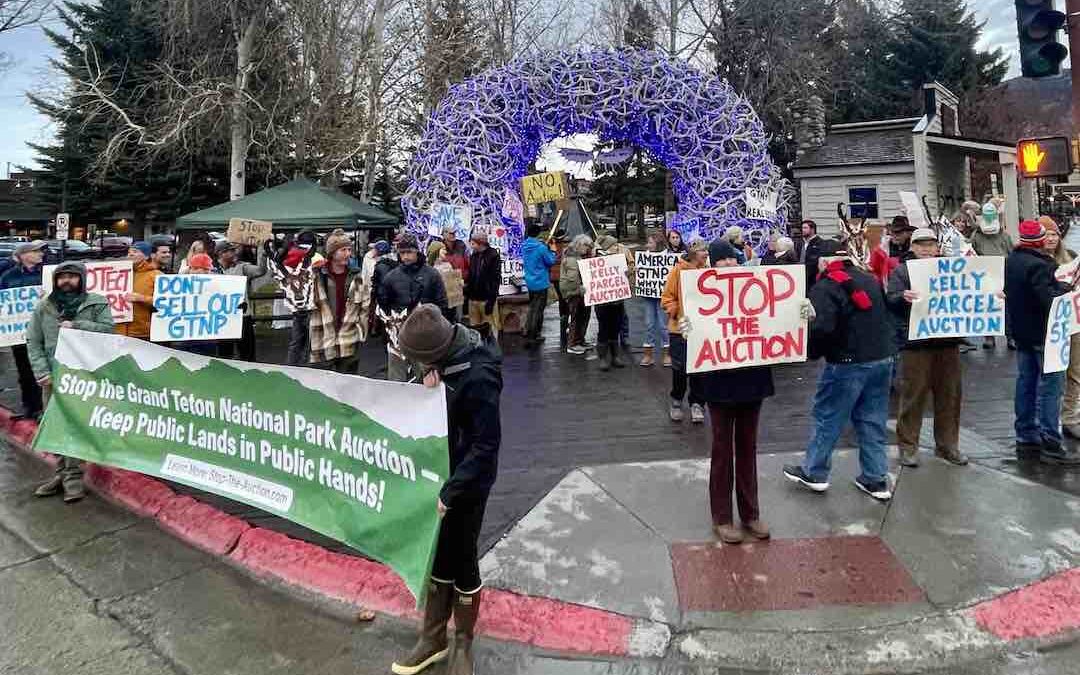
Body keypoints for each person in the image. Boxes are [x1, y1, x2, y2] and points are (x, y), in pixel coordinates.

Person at [392, 304, 502, 675]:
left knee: (463, 557)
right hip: (438, 471)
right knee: (438, 555)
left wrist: (451, 492)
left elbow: (485, 446)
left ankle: (463, 642)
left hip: (468, 481)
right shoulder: (442, 358)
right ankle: (433, 637)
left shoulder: (480, 375)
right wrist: (428, 378)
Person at [784, 240, 898, 502]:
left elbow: (822, 328)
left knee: (828, 416)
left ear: (824, 261)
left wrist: (810, 351)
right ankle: (876, 478)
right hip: (881, 358)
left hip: (847, 362)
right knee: (872, 420)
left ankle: (814, 472)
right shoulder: (868, 279)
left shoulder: (825, 287)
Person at [694, 239, 775, 543]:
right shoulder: (701, 293)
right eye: (721, 260)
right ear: (712, 264)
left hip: (752, 379)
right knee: (722, 450)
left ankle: (751, 513)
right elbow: (694, 335)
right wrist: (686, 325)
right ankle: (722, 517)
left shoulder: (756, 287)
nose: (728, 264)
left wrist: (798, 313)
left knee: (748, 448)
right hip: (719, 382)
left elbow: (774, 320)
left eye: (732, 259)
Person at [27, 261, 115, 502]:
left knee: (76, 426)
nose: (66, 281)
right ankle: (60, 474)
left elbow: (109, 331)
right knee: (54, 426)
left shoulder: (96, 302)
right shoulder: (44, 307)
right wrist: (41, 371)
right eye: (62, 277)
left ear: (82, 279)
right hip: (53, 377)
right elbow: (33, 341)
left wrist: (77, 325)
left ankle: (74, 478)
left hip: (83, 377)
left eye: (72, 276)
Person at [886, 228, 969, 468]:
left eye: (930, 244)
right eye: (921, 245)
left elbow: (970, 293)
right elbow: (889, 299)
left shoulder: (952, 269)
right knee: (913, 397)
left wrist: (992, 296)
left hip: (948, 342)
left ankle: (947, 446)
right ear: (912, 247)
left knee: (950, 397)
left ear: (937, 247)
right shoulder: (902, 271)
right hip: (915, 345)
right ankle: (908, 447)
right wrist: (902, 296)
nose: (925, 249)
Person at [1006, 220, 1080, 465]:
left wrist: (1056, 286)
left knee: (1026, 382)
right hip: (1044, 336)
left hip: (1023, 334)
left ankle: (1026, 434)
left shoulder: (1013, 260)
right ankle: (1051, 441)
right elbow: (1046, 300)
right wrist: (1065, 290)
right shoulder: (1040, 265)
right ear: (1038, 241)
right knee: (1051, 388)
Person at [378, 234, 449, 381]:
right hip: (399, 335)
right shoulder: (391, 277)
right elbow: (384, 305)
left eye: (409, 252)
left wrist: (439, 330)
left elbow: (442, 303)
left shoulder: (432, 274)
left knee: (426, 376)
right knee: (396, 379)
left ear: (417, 251)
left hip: (426, 334)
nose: (405, 256)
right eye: (402, 253)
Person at [662, 240, 709, 423]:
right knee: (680, 368)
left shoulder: (708, 271)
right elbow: (667, 297)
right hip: (679, 329)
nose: (706, 253)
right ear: (692, 253)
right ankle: (676, 401)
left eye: (706, 249)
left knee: (701, 368)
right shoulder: (678, 271)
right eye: (702, 250)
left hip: (703, 329)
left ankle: (697, 404)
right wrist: (675, 312)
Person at [0, 240, 47, 418]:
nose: (41, 254)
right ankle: (31, 407)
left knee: (44, 368)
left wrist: (48, 293)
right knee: (24, 371)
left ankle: (46, 407)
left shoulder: (47, 274)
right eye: (36, 251)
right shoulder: (8, 276)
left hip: (43, 329)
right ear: (24, 255)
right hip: (18, 333)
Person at [309, 232, 367, 373]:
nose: (348, 253)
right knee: (323, 389)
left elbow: (364, 307)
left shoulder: (357, 277)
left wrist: (361, 332)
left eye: (349, 249)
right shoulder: (316, 276)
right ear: (332, 253)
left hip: (348, 341)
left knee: (348, 388)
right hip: (323, 340)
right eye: (343, 250)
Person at [1044, 218, 1080, 439]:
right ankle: (1047, 421)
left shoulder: (1072, 259)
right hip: (1050, 328)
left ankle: (1071, 418)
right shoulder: (1037, 262)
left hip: (1074, 324)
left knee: (1075, 373)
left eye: (1054, 234)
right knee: (1052, 376)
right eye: (1046, 234)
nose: (1050, 238)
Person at [266, 231, 321, 366]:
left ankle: (292, 368)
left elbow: (273, 264)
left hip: (297, 309)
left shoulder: (280, 265)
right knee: (309, 341)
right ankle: (306, 367)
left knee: (296, 341)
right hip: (309, 307)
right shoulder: (312, 259)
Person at [971, 200, 1016, 350]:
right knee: (987, 305)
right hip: (985, 275)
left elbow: (1011, 253)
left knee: (1008, 306)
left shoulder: (1004, 235)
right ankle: (989, 336)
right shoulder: (976, 236)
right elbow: (971, 252)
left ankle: (1010, 336)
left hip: (1003, 273)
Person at [216, 240, 267, 362]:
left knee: (247, 352)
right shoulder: (212, 269)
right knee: (224, 352)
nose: (234, 253)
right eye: (230, 251)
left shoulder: (242, 267)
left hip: (242, 316)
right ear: (221, 254)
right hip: (221, 317)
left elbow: (260, 271)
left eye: (234, 250)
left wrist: (261, 251)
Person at [593, 234, 632, 370]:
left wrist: (629, 273)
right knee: (604, 329)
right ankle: (603, 358)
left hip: (617, 301)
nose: (617, 247)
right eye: (614, 245)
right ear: (607, 247)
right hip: (602, 303)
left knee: (616, 327)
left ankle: (615, 356)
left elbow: (628, 273)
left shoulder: (619, 260)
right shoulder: (596, 261)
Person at [115, 242, 163, 341]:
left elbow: (165, 302)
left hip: (142, 332)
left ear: (146, 256)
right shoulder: (118, 274)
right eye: (129, 252)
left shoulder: (156, 275)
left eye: (135, 252)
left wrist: (141, 298)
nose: (130, 254)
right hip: (119, 332)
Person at [521, 221, 557, 347]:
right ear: (538, 234)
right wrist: (552, 250)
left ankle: (528, 330)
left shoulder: (524, 245)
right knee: (538, 309)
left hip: (530, 281)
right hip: (541, 282)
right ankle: (534, 334)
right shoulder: (540, 247)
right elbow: (551, 261)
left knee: (532, 307)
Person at [639, 232, 671, 367]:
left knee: (664, 326)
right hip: (649, 296)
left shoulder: (669, 257)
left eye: (650, 243)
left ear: (657, 244)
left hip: (663, 296)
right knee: (649, 324)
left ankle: (667, 354)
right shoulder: (644, 257)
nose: (648, 245)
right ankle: (648, 355)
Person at [560, 234, 594, 356]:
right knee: (577, 318)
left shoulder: (577, 256)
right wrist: (579, 289)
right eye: (586, 246)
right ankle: (572, 344)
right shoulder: (572, 259)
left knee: (583, 316)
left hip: (579, 291)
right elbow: (572, 279)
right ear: (579, 245)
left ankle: (580, 341)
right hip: (574, 292)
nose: (588, 248)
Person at [463, 230, 501, 337]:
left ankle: (492, 349)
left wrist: (492, 300)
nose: (471, 245)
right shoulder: (474, 255)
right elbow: (472, 276)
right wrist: (467, 293)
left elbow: (495, 279)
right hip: (473, 298)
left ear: (480, 243)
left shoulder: (493, 256)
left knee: (490, 328)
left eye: (473, 243)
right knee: (474, 328)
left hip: (487, 298)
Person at [549, 228, 571, 348]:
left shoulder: (552, 245)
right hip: (561, 277)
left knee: (562, 300)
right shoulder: (560, 248)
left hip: (555, 277)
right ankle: (564, 322)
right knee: (564, 300)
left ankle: (564, 320)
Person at [799, 220, 825, 291]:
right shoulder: (800, 243)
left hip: (813, 279)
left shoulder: (820, 243)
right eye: (802, 228)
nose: (802, 230)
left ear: (812, 229)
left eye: (805, 228)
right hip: (800, 276)